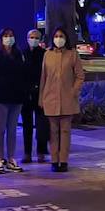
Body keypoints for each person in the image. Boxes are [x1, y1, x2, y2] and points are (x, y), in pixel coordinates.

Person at [39, 27, 83, 173]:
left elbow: (80, 76)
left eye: (61, 36)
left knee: (65, 131)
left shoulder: (72, 54)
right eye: (56, 36)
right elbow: (43, 78)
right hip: (50, 98)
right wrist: (41, 98)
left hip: (67, 99)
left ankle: (63, 161)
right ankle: (54, 160)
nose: (58, 39)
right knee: (53, 132)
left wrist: (73, 91)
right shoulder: (47, 54)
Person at [0, 29, 27, 174]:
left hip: (16, 97)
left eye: (11, 35)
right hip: (0, 98)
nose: (8, 38)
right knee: (0, 129)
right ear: (1, 38)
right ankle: (0, 159)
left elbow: (23, 74)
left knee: (12, 129)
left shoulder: (19, 55)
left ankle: (11, 158)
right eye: (5, 36)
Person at [20, 29, 49, 164]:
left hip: (40, 94)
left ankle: (41, 152)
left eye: (36, 37)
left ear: (40, 39)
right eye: (31, 37)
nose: (34, 40)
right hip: (26, 94)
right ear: (27, 38)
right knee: (27, 125)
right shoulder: (22, 54)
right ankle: (27, 153)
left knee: (41, 124)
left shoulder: (44, 54)